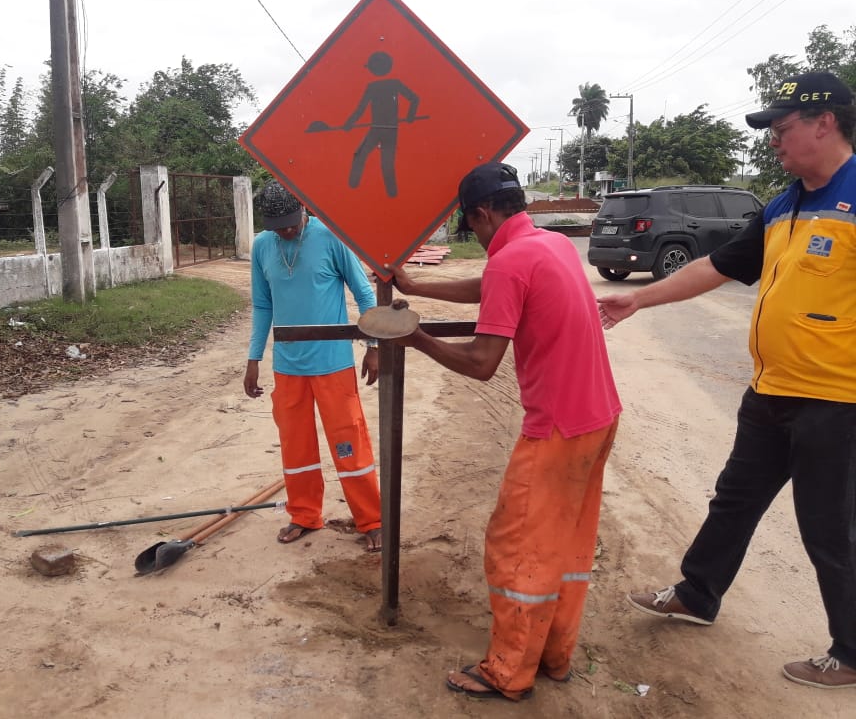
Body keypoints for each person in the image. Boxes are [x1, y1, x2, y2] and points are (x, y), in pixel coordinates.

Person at [598, 71, 856, 689]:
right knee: (734, 499)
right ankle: (697, 594)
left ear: (826, 123)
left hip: (836, 400)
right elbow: (719, 265)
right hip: (772, 389)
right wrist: (643, 300)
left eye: (782, 127)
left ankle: (850, 651)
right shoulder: (784, 203)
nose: (772, 139)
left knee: (829, 528)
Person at [387, 161, 621, 701]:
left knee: (517, 547)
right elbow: (493, 284)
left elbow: (481, 363)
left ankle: (508, 671)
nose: (479, 235)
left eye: (474, 226)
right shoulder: (548, 245)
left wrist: (415, 337)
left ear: (483, 213)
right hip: (599, 416)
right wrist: (420, 285)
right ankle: (555, 656)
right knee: (566, 544)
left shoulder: (511, 262)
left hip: (557, 428)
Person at [244, 181, 383, 553]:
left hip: (333, 364)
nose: (287, 232)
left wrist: (374, 345)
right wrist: (253, 358)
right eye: (279, 227)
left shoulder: (330, 238)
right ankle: (304, 514)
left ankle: (371, 519)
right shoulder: (262, 247)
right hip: (288, 367)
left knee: (349, 444)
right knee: (296, 446)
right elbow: (262, 306)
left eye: (291, 223)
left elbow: (364, 293)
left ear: (303, 209)